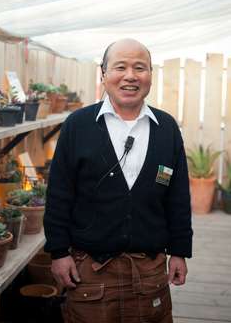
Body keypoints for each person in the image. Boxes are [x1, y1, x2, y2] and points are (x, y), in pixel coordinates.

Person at [44, 38, 193, 323]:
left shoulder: (167, 129)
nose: (130, 76)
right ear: (103, 73)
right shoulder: (78, 125)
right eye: (120, 67)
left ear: (150, 74)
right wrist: (58, 252)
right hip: (89, 273)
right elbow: (59, 194)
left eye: (140, 68)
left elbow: (177, 197)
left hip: (150, 272)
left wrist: (179, 251)